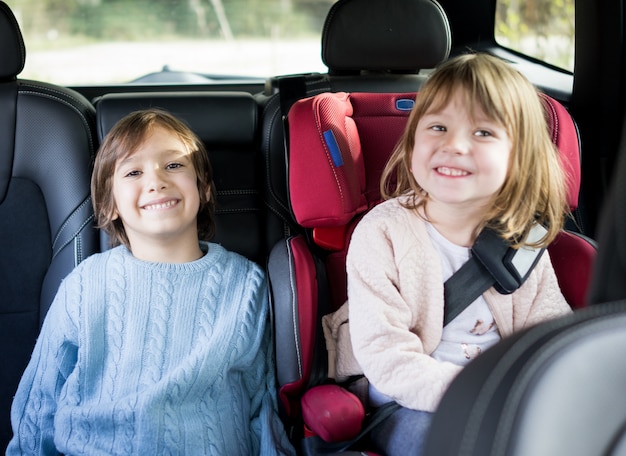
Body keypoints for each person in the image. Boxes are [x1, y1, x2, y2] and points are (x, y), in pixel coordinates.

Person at [324, 53, 572, 456]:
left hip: (501, 399)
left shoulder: (523, 237)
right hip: (407, 403)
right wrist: (479, 397)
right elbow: (388, 359)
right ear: (412, 143)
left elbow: (549, 338)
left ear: (519, 157)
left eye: (483, 133)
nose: (454, 145)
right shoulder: (383, 232)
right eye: (438, 127)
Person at [7, 109, 294, 455]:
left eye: (173, 165)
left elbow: (260, 405)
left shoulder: (246, 284)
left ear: (203, 187)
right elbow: (41, 401)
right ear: (110, 203)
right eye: (133, 172)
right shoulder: (85, 284)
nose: (156, 181)